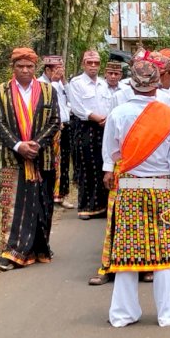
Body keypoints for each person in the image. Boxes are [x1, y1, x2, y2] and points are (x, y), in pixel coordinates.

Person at [100, 58, 170, 327]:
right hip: (162, 191)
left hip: (128, 190)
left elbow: (111, 153)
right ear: (156, 84)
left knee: (127, 253)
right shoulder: (169, 118)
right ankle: (168, 314)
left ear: (132, 83)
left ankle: (122, 313)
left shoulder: (118, 114)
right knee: (166, 255)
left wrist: (113, 169)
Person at [0, 47, 60, 271]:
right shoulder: (1, 91)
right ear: (13, 68)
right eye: (20, 66)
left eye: (29, 66)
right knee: (13, 206)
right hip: (14, 158)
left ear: (35, 68)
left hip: (43, 157)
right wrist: (19, 145)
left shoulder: (48, 91)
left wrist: (37, 144)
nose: (25, 70)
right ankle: (12, 252)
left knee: (42, 204)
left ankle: (38, 248)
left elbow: (54, 122)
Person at [69, 50, 113, 219]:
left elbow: (109, 103)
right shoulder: (77, 83)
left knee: (103, 165)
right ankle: (86, 207)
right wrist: (94, 117)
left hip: (104, 127)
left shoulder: (103, 84)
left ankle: (102, 207)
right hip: (85, 128)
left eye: (96, 63)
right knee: (87, 166)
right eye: (89, 62)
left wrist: (107, 118)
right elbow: (77, 107)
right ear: (83, 64)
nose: (93, 66)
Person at [38, 55, 75, 209]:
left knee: (65, 162)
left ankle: (61, 195)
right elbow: (46, 103)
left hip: (65, 126)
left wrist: (64, 81)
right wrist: (53, 81)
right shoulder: (41, 84)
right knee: (52, 163)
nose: (60, 72)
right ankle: (50, 195)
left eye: (62, 69)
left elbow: (72, 99)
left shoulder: (60, 84)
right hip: (51, 129)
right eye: (57, 70)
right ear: (47, 69)